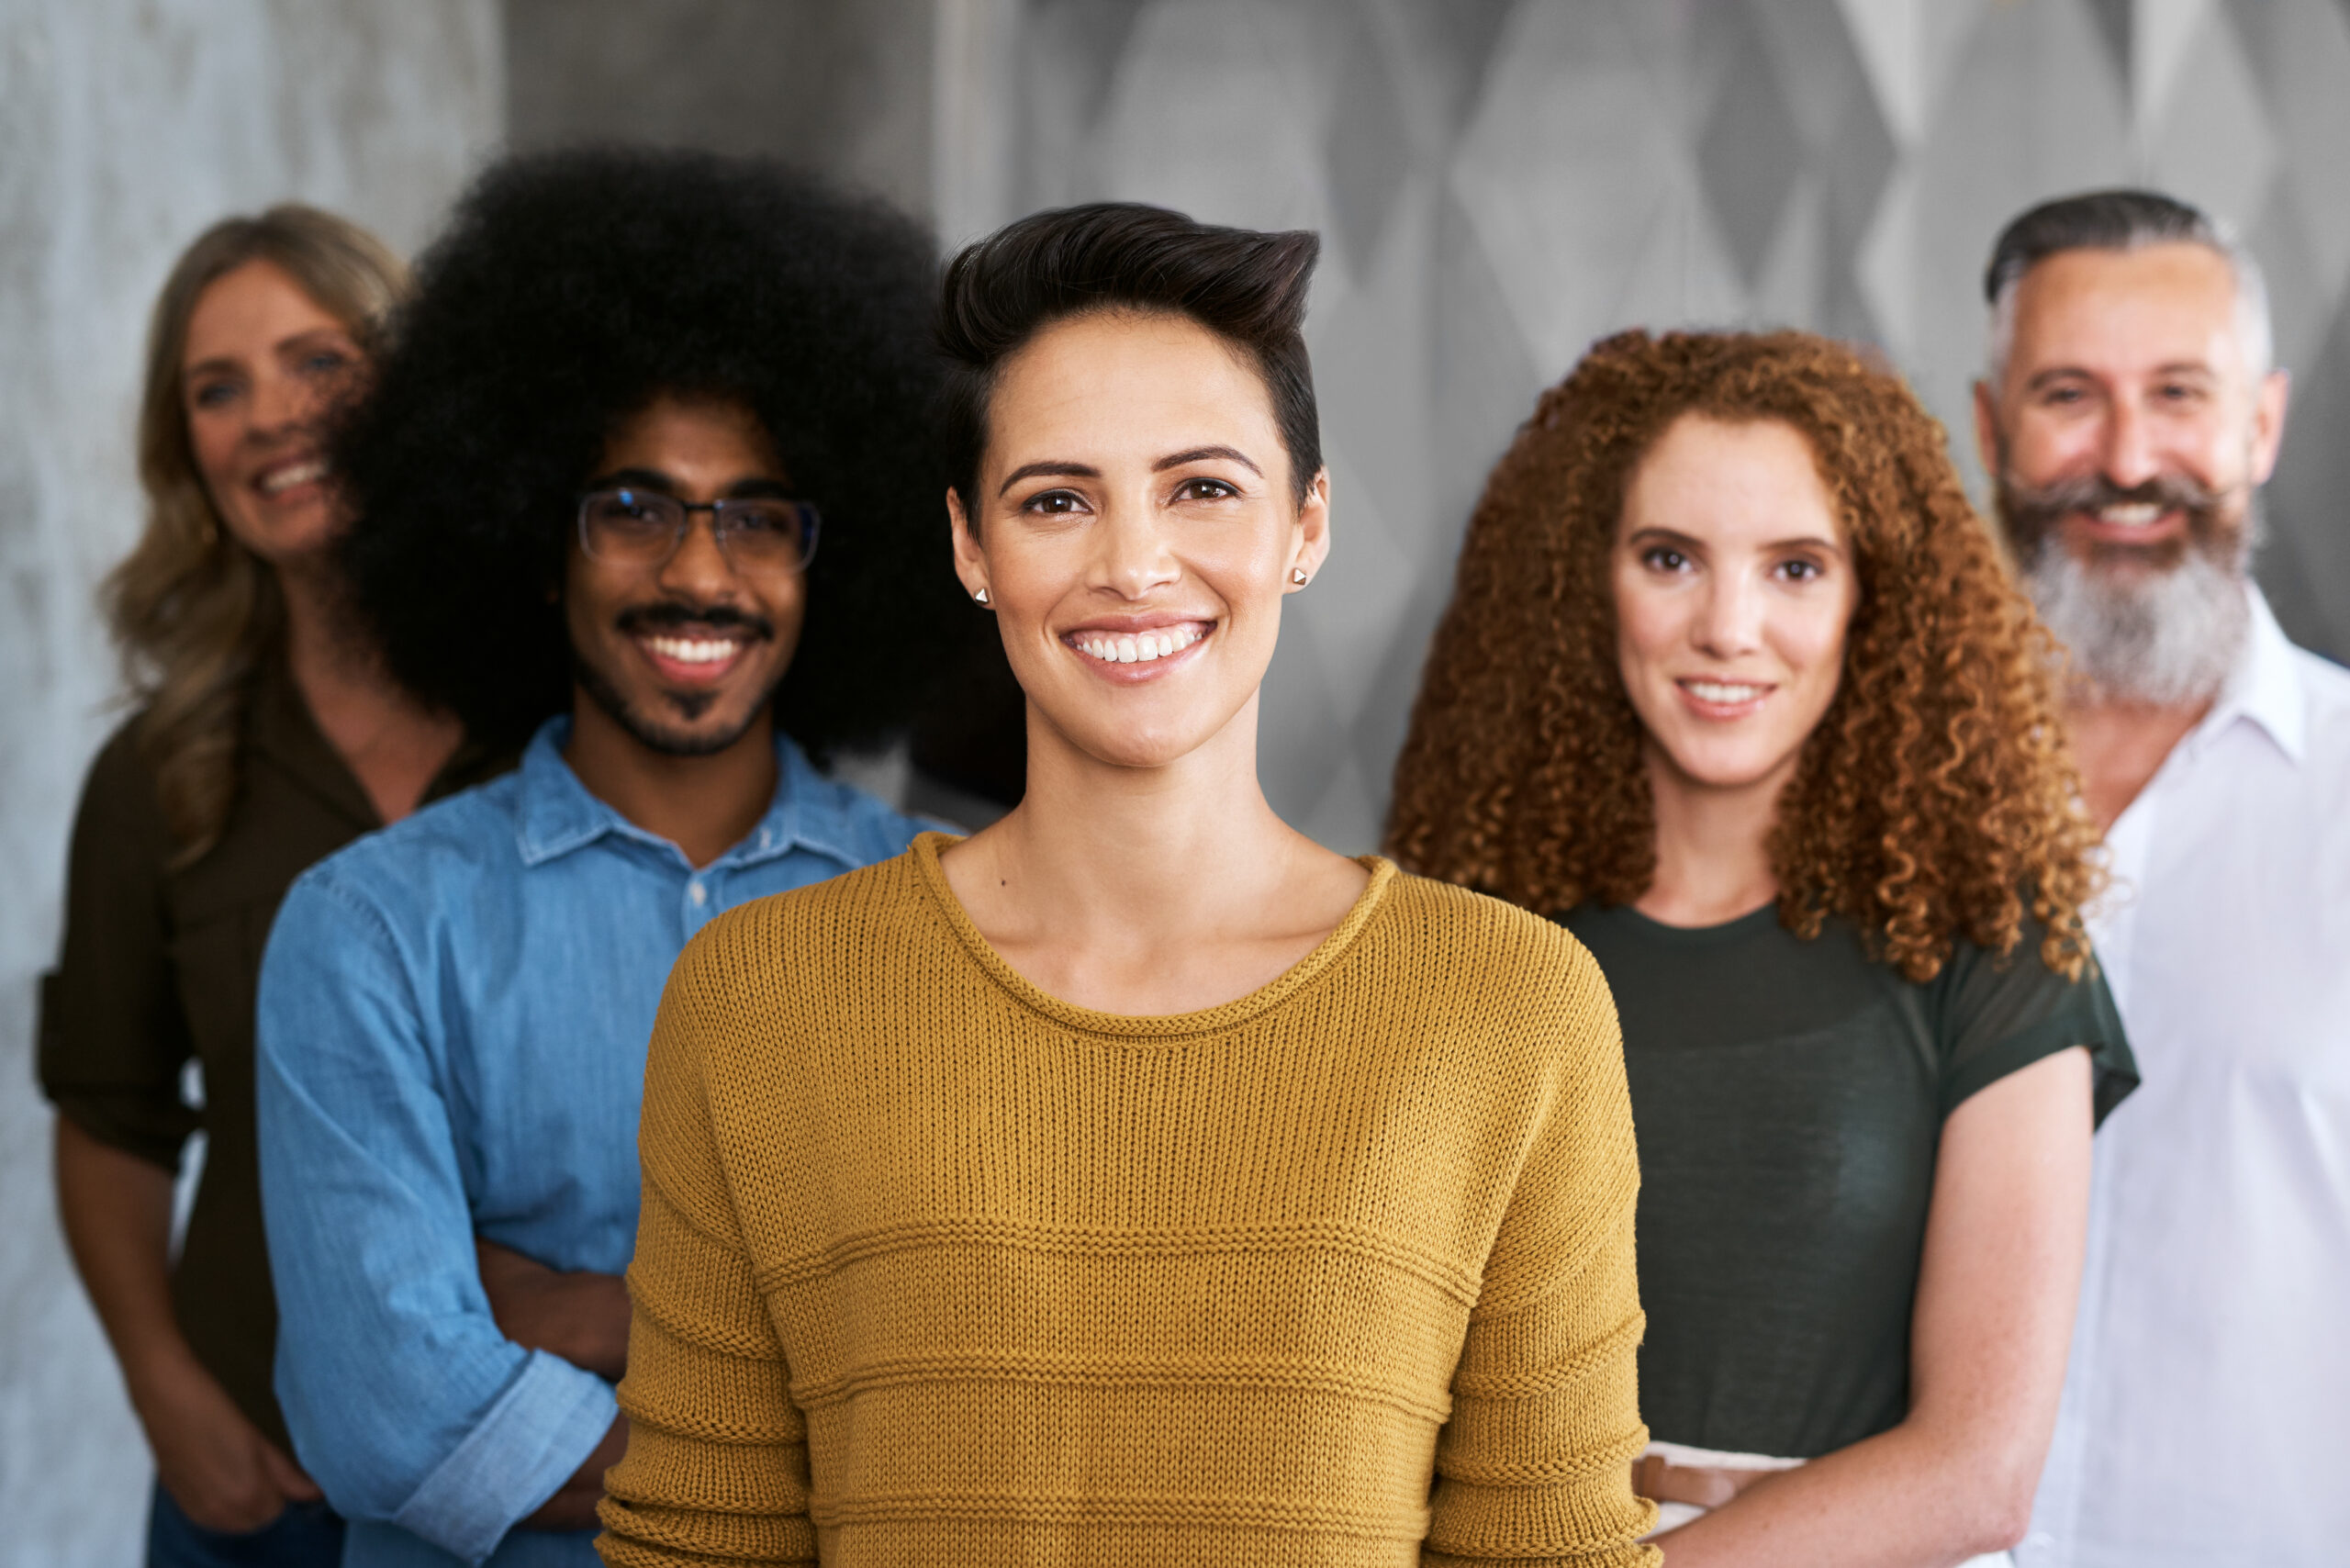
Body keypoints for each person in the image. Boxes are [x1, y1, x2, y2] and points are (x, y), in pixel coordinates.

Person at [594, 202, 1661, 1567]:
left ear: (1307, 525)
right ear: (974, 548)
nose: (1133, 564)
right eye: (1056, 500)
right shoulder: (760, 1001)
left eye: (1202, 487)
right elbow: (698, 1544)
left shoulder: (1510, 1010)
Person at [252, 148, 962, 1568]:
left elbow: (986, 1391)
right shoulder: (369, 930)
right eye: (633, 507)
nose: (700, 574)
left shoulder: (960, 914)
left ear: (838, 559)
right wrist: (798, 1418)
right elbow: (387, 1411)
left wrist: (569, 1314)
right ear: (537, 541)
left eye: (758, 516)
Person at [1388, 330, 2137, 1568]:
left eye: (1796, 567)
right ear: (1589, 581)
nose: (1729, 627)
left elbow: (1979, 1473)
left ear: (1873, 600)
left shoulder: (1996, 950)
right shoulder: (1469, 939)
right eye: (1670, 558)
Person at [39, 205, 501, 1568]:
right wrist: (162, 1388)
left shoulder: (571, 717)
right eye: (216, 389)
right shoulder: (162, 773)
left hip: (566, 1472)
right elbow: (110, 1116)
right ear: (183, 449)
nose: (269, 418)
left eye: (318, 362)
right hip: (265, 1491)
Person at [1973, 190, 2350, 1567]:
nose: (2127, 459)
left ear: (2261, 423)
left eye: (2179, 395)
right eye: (2069, 395)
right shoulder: (1859, 798)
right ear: (1991, 423)